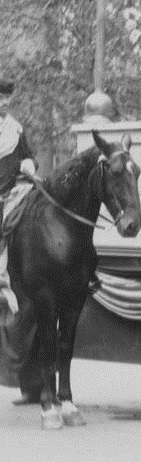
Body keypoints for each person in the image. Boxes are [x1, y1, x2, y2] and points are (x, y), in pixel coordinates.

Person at [0, 79, 36, 317]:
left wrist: (28, 165)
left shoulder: (16, 128)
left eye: (7, 98)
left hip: (14, 189)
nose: (4, 103)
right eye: (0, 98)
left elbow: (27, 155)